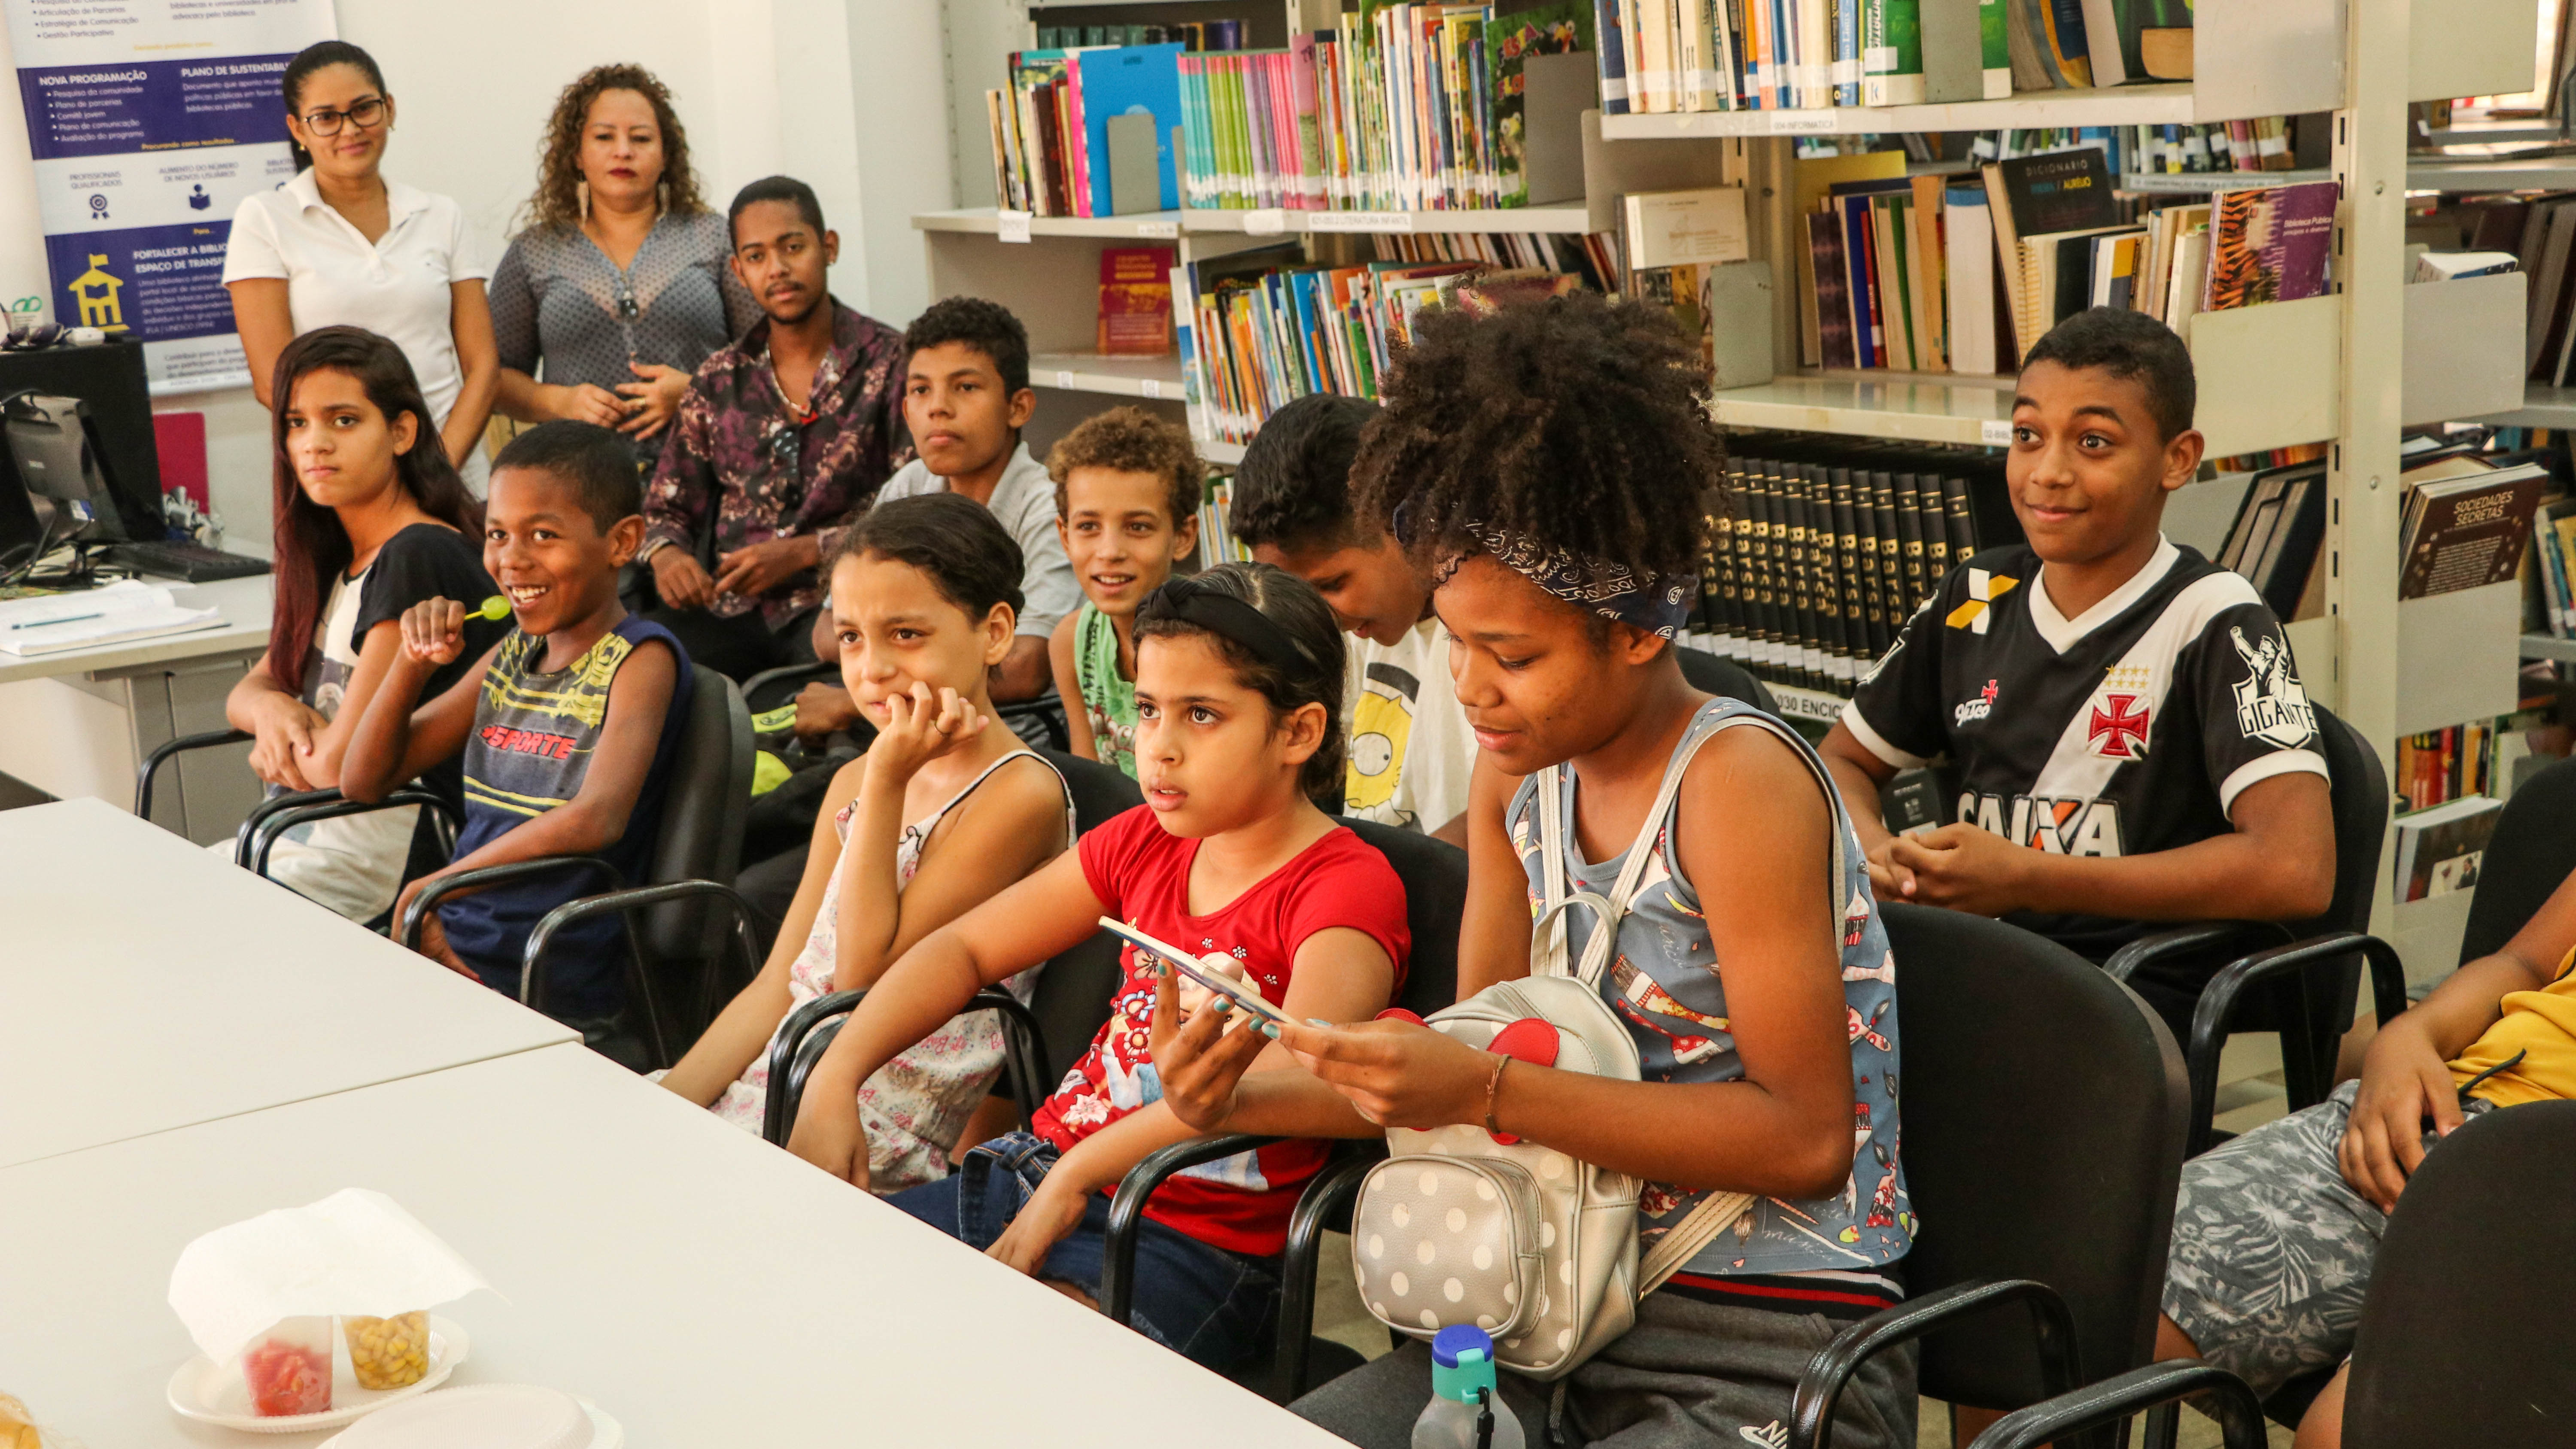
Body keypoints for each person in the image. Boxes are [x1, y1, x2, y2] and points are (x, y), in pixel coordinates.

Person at [1151, 294, 1917, 1449]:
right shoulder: (1518, 779)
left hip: (1764, 1337)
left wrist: (1481, 1089)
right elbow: (1475, 1047)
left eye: (1512, 653)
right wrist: (1233, 1096)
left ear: (1642, 626)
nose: (1470, 684)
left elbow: (1807, 1139)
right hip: (1541, 1296)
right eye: (1455, 639)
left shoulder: (1735, 783)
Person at [784, 563, 1410, 1375]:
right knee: (821, 1303)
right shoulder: (1143, 839)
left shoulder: (1345, 887)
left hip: (1186, 1239)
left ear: (1297, 732)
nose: (1161, 746)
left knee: (1008, 1376)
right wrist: (837, 1077)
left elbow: (1316, 1076)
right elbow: (961, 949)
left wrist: (1082, 1170)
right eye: (1149, 709)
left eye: (1203, 715)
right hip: (1031, 1174)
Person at [1817, 307, 2335, 1047]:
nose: (2048, 472)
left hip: (2123, 994)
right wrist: (1875, 852)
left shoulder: (2217, 619)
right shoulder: (1976, 594)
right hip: (1970, 962)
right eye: (2028, 436)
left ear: (2178, 459)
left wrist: (2029, 877)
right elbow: (1842, 760)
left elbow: (2297, 869)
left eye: (2094, 443)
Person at [656, 494, 1076, 1191]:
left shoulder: (1018, 795)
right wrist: (662, 1107)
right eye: (851, 637)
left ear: (996, 632)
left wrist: (884, 780)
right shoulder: (858, 777)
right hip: (784, 1075)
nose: (871, 668)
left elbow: (859, 980)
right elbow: (779, 985)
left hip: (870, 1127)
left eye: (906, 634)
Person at [2157, 862, 2576, 1449]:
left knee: (2348, 1433)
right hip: (2450, 1104)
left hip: (2547, 1182)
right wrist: (2410, 1035)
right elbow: (2523, 964)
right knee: (2066, 1294)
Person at [342, 422, 692, 1040]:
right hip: (455, 937)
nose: (512, 559)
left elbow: (597, 817)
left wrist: (444, 881)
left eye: (543, 535)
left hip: (549, 972)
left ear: (623, 542)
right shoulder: (512, 653)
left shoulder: (642, 658)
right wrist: (411, 660)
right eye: (499, 534)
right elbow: (364, 777)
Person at [218, 327, 503, 924]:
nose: (314, 443)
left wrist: (286, 739)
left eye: (343, 420)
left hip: (385, 860)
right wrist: (274, 713)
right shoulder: (330, 553)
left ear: (402, 432)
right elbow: (250, 692)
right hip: (298, 835)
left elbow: (338, 769)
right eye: (296, 423)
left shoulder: (418, 553)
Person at [640, 176, 907, 682]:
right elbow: (665, 505)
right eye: (757, 257)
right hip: (729, 610)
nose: (778, 270)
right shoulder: (719, 379)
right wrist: (669, 555)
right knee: (635, 670)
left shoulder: (891, 363)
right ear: (739, 271)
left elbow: (920, 512)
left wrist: (808, 552)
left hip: (841, 611)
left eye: (793, 247)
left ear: (828, 248)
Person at [225, 42, 498, 492]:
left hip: (455, 474)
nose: (349, 129)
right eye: (326, 117)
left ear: (389, 109)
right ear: (298, 129)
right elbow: (273, 381)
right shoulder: (267, 218)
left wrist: (437, 469)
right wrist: (372, 470)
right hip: (343, 479)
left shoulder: (440, 214)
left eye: (363, 109)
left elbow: (483, 365)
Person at [1230, 392, 1473, 842]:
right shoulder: (1340, 634)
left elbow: (1501, 820)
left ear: (1409, 522)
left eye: (1332, 584)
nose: (1318, 616)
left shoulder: (1483, 635)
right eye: (1294, 592)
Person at [488, 64, 756, 468]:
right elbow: (494, 378)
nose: (623, 151)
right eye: (604, 137)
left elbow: (772, 358)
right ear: (577, 155)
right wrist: (559, 401)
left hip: (707, 473)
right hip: (579, 482)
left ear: (667, 156)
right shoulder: (536, 252)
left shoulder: (715, 238)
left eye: (642, 138)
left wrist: (696, 389)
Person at [867, 296, 1081, 707]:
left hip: (1011, 733)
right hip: (893, 722)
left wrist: (888, 688)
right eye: (920, 390)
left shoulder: (1048, 506)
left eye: (965, 387)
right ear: (907, 412)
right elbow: (829, 630)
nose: (939, 408)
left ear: (1018, 408)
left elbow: (1023, 669)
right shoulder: (909, 486)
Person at [1046, 405, 1203, 777]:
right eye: (1088, 526)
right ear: (1065, 536)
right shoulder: (1071, 641)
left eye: (1138, 527)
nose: (1110, 551)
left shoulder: (1210, 643)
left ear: (1183, 536)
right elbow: (1092, 781)